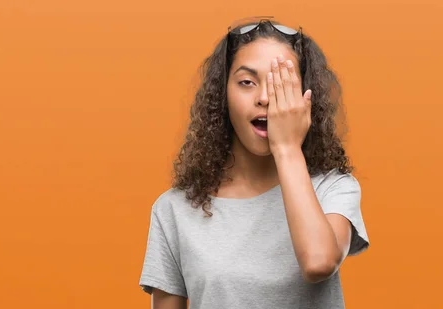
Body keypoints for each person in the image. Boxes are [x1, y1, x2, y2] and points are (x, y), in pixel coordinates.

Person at [138, 16, 370, 309]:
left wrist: (286, 147)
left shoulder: (333, 188)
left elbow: (318, 262)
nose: (264, 97)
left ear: (304, 98)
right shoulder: (173, 210)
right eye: (247, 82)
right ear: (223, 96)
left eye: (282, 85)